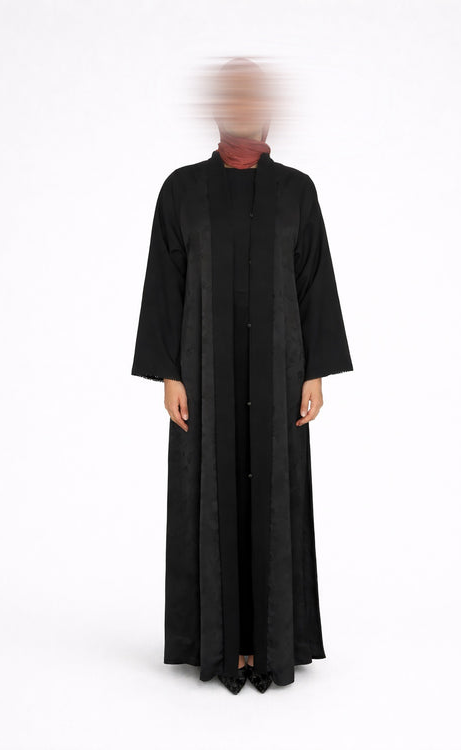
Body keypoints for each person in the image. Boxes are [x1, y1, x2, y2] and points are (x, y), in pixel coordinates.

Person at [131, 57, 354, 694]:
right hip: (202, 375)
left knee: (277, 494)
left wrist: (315, 372)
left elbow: (314, 281)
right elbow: (164, 284)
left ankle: (274, 643)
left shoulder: (297, 192)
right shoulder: (181, 190)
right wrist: (169, 374)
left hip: (281, 374)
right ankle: (215, 642)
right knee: (207, 492)